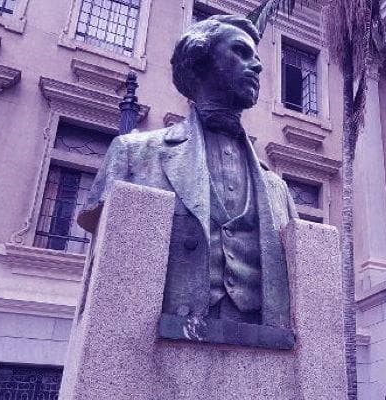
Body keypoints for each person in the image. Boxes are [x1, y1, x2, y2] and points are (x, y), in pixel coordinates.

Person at [78, 15, 298, 340]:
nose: (257, 66)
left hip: (262, 341)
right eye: (240, 52)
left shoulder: (277, 189)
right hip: (161, 341)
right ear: (199, 62)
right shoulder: (133, 154)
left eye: (256, 57)